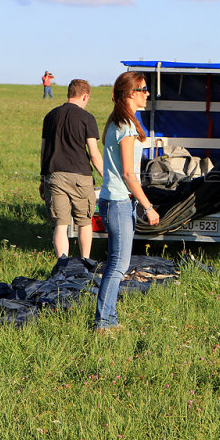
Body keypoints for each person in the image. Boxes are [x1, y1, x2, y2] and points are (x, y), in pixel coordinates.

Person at [94, 71, 159, 331]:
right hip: (120, 202)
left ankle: (110, 319)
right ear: (131, 93)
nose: (147, 94)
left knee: (116, 263)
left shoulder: (118, 122)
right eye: (143, 89)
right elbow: (128, 173)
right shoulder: (126, 126)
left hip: (114, 201)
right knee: (118, 266)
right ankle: (103, 323)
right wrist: (148, 206)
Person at [39, 79, 104, 260]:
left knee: (60, 224)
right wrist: (106, 175)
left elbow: (44, 151)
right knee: (84, 223)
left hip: (54, 175)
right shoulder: (87, 118)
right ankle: (85, 262)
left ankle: (62, 265)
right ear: (85, 96)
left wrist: (43, 179)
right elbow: (94, 153)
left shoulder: (50, 116)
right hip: (80, 176)